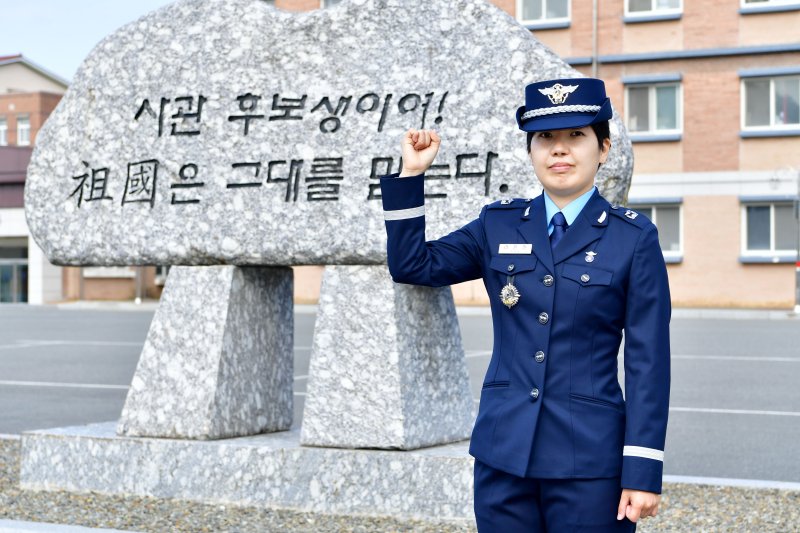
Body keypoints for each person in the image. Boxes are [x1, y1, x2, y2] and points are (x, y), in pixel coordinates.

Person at [378, 77, 671, 532]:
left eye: (576, 136)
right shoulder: (499, 225)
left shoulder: (632, 239)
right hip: (503, 457)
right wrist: (412, 175)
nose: (559, 150)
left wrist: (643, 471)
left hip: (590, 464)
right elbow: (414, 265)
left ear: (604, 149)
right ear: (532, 151)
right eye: (545, 138)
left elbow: (648, 361)